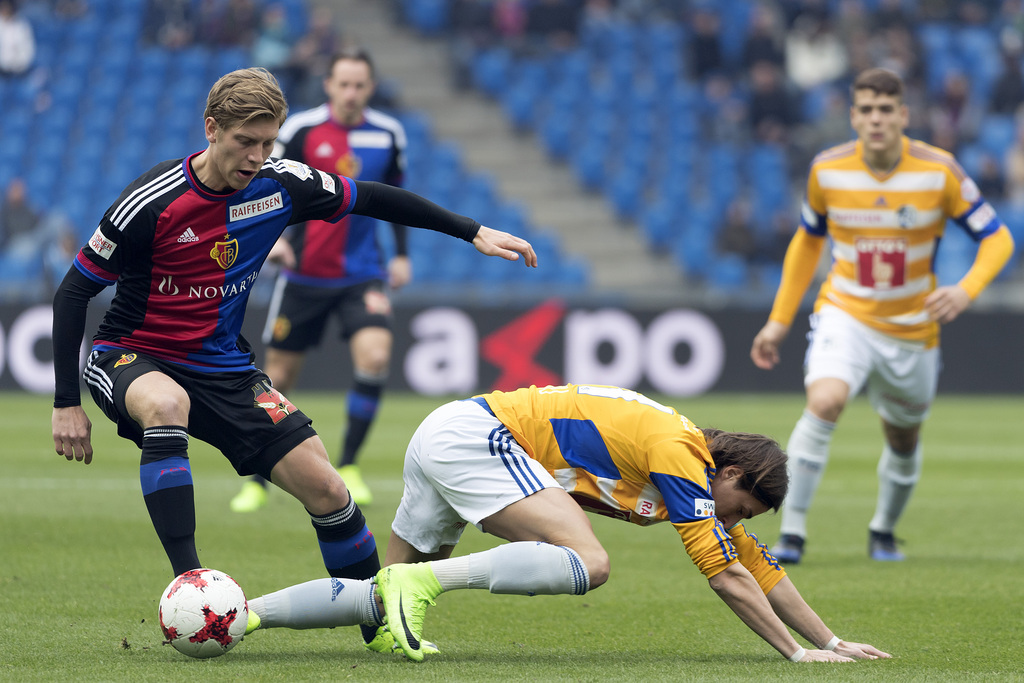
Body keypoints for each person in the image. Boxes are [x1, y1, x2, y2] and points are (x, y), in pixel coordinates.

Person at [50, 67, 536, 653]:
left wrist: (471, 230)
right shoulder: (153, 201)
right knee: (167, 402)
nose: (256, 157)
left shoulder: (282, 185)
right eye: (243, 142)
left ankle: (376, 626)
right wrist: (65, 403)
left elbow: (374, 199)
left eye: (267, 143)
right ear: (211, 129)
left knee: (328, 488)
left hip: (225, 367)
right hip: (133, 353)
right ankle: (192, 582)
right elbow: (73, 291)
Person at [242, 383, 890, 664]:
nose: (734, 519)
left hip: (448, 432)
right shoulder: (682, 453)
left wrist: (829, 639)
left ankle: (242, 615)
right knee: (591, 561)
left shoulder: (684, 468)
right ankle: (424, 582)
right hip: (478, 436)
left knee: (383, 600)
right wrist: (793, 651)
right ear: (733, 473)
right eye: (740, 506)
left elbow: (752, 561)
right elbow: (723, 574)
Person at [750, 68, 1016, 564]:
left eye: (885, 109)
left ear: (903, 115)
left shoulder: (940, 171)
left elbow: (997, 238)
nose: (875, 119)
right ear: (853, 116)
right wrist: (780, 319)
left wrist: (965, 291)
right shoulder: (827, 170)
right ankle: (792, 533)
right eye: (866, 109)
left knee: (902, 435)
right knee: (825, 400)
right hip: (845, 313)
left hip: (913, 327)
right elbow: (807, 242)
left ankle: (883, 531)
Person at [229, 48, 411, 514]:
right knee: (278, 378)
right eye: (343, 84)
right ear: (328, 85)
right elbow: (266, 181)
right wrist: (273, 240)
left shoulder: (388, 134)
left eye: (360, 85)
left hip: (362, 274)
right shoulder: (301, 130)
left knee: (375, 356)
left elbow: (395, 199)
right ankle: (258, 480)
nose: (351, 93)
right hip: (304, 275)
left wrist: (403, 256)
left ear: (370, 88)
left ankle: (348, 464)